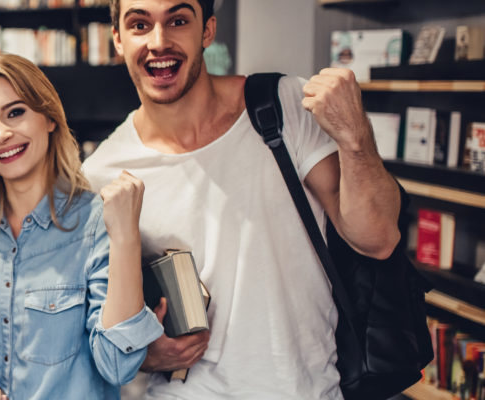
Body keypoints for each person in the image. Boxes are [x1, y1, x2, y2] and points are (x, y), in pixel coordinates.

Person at [81, 0, 402, 398]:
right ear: (118, 39)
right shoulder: (101, 173)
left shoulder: (282, 106)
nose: (159, 41)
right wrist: (145, 354)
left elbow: (378, 237)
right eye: (140, 24)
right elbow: (102, 328)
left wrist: (355, 138)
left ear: (208, 31)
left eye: (178, 21)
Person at [0, 52, 164, 399]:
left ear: (50, 118)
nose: (0, 134)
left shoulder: (99, 223)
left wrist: (126, 237)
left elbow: (117, 365)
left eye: (15, 112)